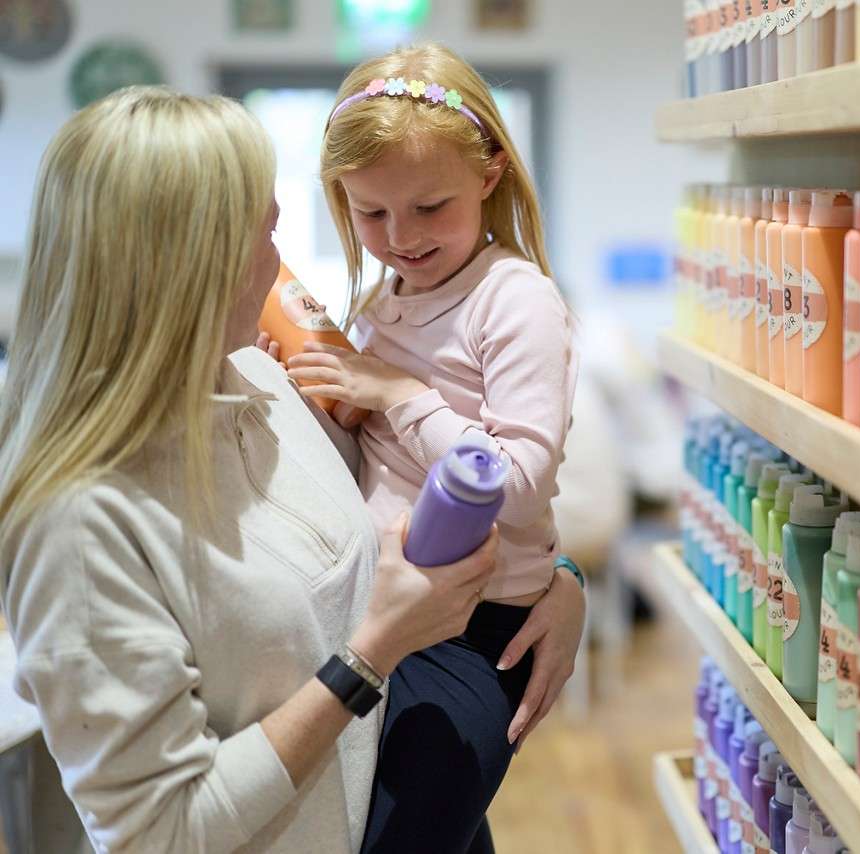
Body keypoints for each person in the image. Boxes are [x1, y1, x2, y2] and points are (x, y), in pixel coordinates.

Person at [0, 86, 582, 854]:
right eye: (265, 234)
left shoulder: (254, 375)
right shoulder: (79, 522)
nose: (284, 268)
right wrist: (371, 655)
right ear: (194, 261)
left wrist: (558, 580)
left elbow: (397, 479)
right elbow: (159, 833)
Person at [282, 43, 580, 853]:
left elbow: (517, 481)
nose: (399, 237)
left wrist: (398, 394)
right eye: (369, 213)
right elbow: (381, 463)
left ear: (489, 174)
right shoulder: (385, 301)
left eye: (428, 207)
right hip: (392, 616)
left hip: (480, 630)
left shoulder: (514, 301)